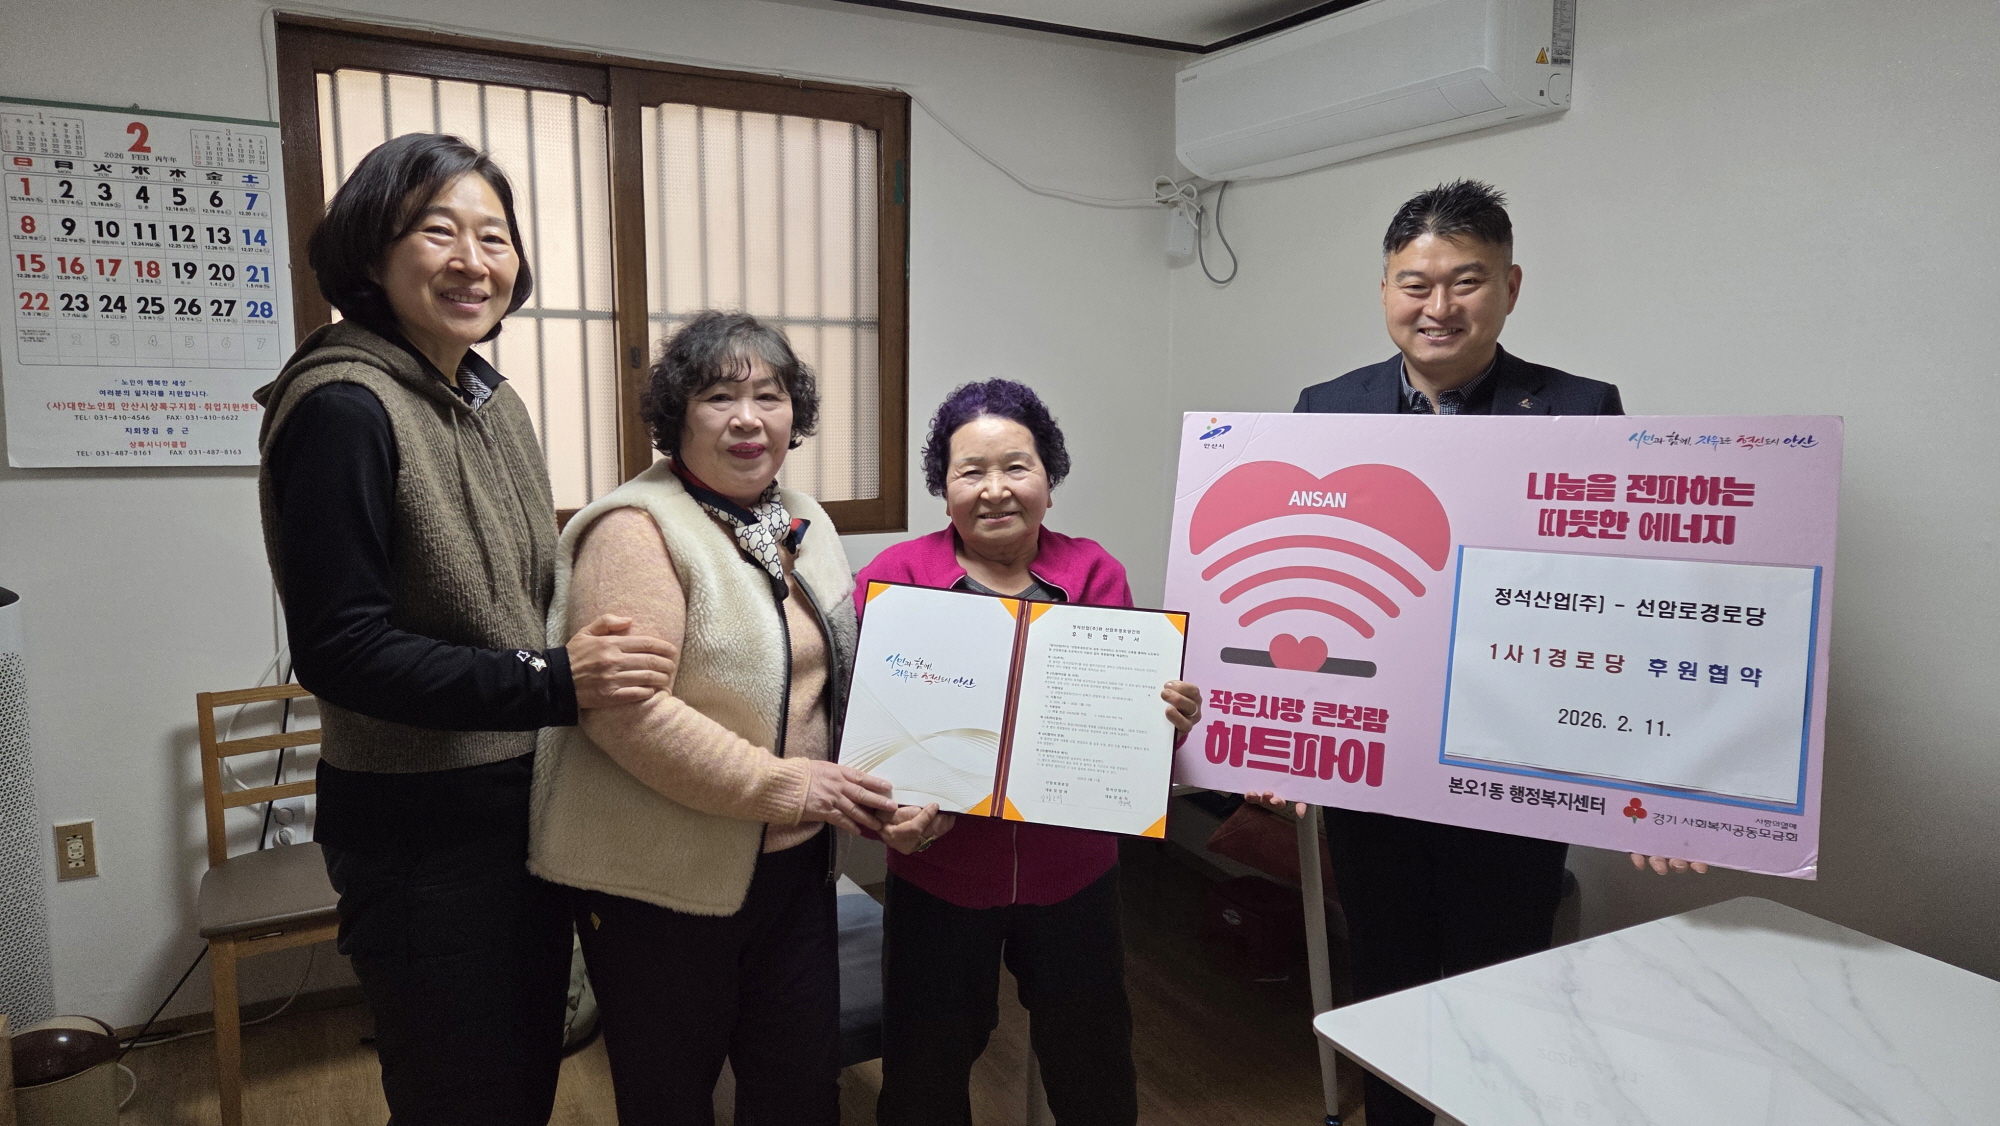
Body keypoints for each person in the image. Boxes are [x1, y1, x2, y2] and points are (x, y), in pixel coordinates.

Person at [255, 133, 678, 1124]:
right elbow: (342, 650)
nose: (472, 261)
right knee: (461, 1095)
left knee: (523, 1076)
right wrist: (556, 679)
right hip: (419, 829)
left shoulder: (487, 396)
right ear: (370, 252)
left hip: (518, 800)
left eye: (494, 236)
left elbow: (527, 585)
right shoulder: (343, 406)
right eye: (436, 231)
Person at [1272, 179, 1705, 1126]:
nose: (1439, 307)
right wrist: (1281, 738)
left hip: (1517, 762)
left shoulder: (1582, 409)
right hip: (1375, 765)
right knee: (1386, 981)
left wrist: (1666, 781)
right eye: (1415, 284)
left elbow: (1626, 604)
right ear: (1385, 290)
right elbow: (1305, 579)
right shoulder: (1325, 408)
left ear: (1510, 287)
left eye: (1465, 282)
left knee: (1501, 984)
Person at [528, 311, 899, 1126]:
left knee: (800, 1089)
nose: (747, 419)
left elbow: (843, 678)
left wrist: (892, 783)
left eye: (769, 396)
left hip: (796, 867)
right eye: (718, 396)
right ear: (677, 415)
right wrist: (787, 786)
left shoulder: (803, 518)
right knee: (669, 1098)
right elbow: (626, 716)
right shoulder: (637, 529)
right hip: (661, 880)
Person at [854, 380, 1203, 1126]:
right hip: (939, 872)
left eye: (1017, 466)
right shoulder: (894, 579)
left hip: (1074, 873)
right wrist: (886, 816)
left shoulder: (1095, 572)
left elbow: (1123, 725)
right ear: (942, 486)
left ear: (1049, 476)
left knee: (1092, 1062)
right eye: (970, 471)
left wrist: (1168, 721)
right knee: (925, 1068)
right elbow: (859, 735)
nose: (995, 490)